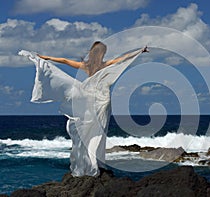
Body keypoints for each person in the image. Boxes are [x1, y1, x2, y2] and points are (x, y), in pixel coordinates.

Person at [19, 41, 148, 177]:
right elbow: (124, 58)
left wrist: (46, 58)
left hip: (90, 99)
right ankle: (96, 161)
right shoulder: (105, 65)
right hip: (103, 100)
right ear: (102, 53)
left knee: (89, 129)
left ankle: (89, 161)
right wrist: (140, 51)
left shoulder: (85, 66)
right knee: (99, 131)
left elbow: (64, 60)